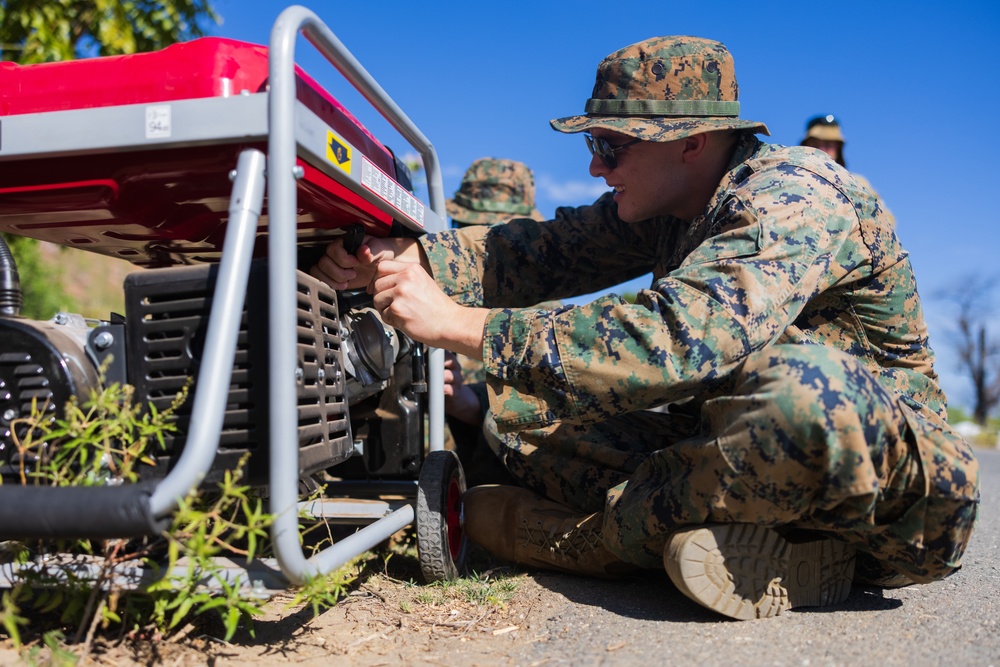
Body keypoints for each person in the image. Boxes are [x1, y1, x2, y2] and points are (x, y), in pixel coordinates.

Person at [311, 36, 980, 621]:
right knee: (521, 412)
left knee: (798, 386)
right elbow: (543, 251)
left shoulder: (796, 194)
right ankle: (766, 552)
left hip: (894, 502)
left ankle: (594, 540)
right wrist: (408, 259)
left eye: (610, 145)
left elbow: (683, 336)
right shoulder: (673, 201)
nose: (596, 167)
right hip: (731, 453)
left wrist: (463, 326)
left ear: (692, 142)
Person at [442, 158, 545, 486]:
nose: (482, 246)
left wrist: (466, 404)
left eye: (495, 238)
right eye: (468, 230)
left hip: (489, 496)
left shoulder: (549, 320)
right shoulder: (430, 299)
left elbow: (548, 416)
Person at [800, 114, 894, 224]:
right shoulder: (789, 177)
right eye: (815, 144)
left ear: (838, 148)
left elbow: (887, 221)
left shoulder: (857, 183)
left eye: (828, 144)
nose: (821, 149)